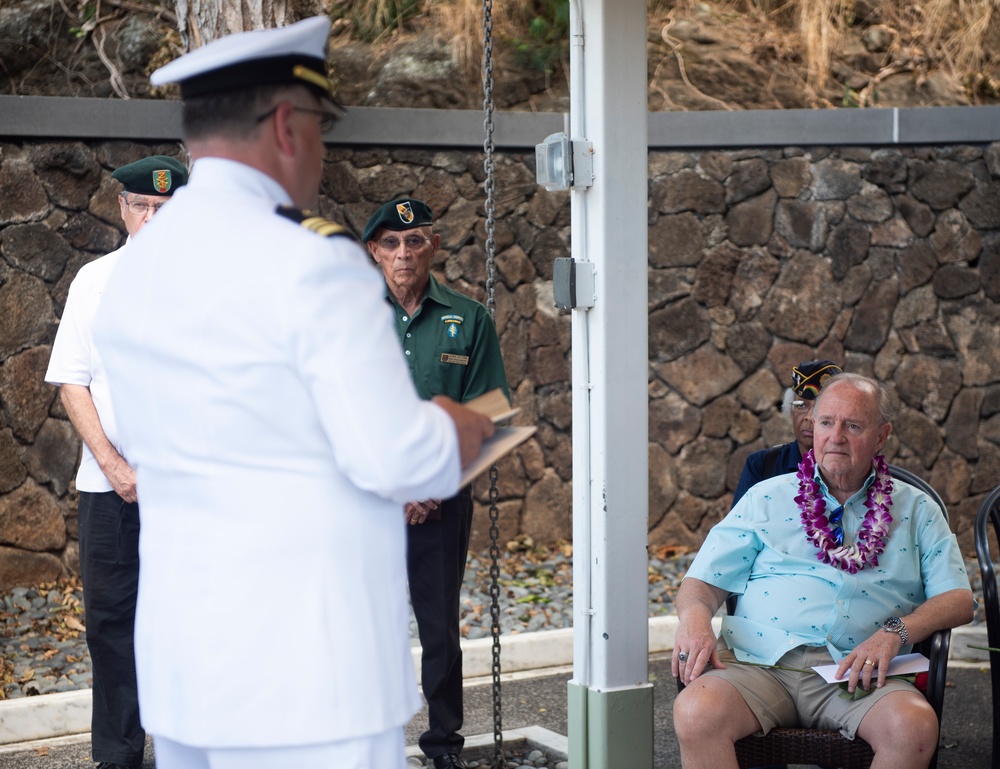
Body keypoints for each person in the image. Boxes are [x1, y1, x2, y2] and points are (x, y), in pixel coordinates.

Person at [91, 17, 494, 769]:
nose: (320, 147)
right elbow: (399, 459)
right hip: (308, 677)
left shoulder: (133, 273)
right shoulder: (315, 264)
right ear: (286, 125)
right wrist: (456, 425)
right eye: (321, 125)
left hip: (183, 667)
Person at [672, 373, 974, 769]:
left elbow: (959, 600)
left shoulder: (917, 510)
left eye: (853, 425)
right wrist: (694, 622)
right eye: (827, 422)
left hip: (860, 674)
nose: (836, 437)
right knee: (696, 712)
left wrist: (895, 633)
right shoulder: (765, 498)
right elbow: (700, 586)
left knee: (913, 728)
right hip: (757, 665)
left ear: (881, 436)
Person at [44, 154, 188, 769]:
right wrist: (114, 465)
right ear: (122, 209)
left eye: (166, 210)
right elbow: (71, 381)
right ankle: (120, 754)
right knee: (110, 621)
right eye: (142, 208)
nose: (153, 220)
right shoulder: (93, 282)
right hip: (109, 488)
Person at [363, 198, 510, 769]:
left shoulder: (468, 318)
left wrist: (429, 486)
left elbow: (489, 411)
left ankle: (444, 745)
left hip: (440, 502)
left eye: (415, 241)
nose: (404, 254)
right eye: (392, 244)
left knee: (439, 628)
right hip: (365, 504)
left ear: (434, 247)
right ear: (374, 251)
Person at [731, 359, 843, 507]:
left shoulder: (852, 467)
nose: (809, 417)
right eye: (801, 405)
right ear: (790, 411)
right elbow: (738, 526)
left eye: (820, 407)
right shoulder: (762, 465)